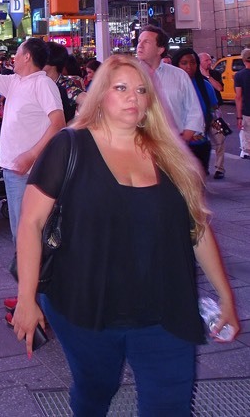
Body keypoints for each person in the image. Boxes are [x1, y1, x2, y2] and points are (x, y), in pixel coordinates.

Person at [13, 55, 240, 416]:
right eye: (120, 88)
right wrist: (26, 299)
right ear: (101, 95)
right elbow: (30, 224)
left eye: (140, 90)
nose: (133, 97)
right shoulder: (69, 146)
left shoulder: (170, 156)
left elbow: (197, 230)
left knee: (170, 403)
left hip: (165, 306)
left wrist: (225, 295)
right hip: (86, 303)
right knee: (95, 390)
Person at [0, 32, 64, 279]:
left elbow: (58, 123)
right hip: (13, 170)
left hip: (31, 171)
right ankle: (29, 293)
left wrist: (30, 155)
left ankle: (34, 296)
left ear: (27, 57)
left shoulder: (42, 84)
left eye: (17, 54)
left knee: (26, 234)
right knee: (21, 233)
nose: (13, 58)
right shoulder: (16, 81)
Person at [135, 25, 203, 141]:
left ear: (160, 49)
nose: (140, 45)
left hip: (172, 145)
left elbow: (194, 111)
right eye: (139, 41)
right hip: (138, 145)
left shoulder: (179, 76)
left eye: (146, 42)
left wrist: (184, 140)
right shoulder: (130, 74)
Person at [172, 48, 215, 176]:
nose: (189, 66)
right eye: (184, 63)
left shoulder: (205, 86)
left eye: (193, 62)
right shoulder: (169, 86)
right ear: (176, 65)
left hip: (200, 145)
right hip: (176, 146)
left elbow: (213, 110)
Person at [44, 42, 84, 123]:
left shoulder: (65, 84)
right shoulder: (36, 82)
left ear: (52, 62)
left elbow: (88, 102)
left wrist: (71, 125)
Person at [234, 47, 250, 160]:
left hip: (247, 111)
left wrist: (239, 117)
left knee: (247, 137)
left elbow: (238, 97)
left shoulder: (239, 75)